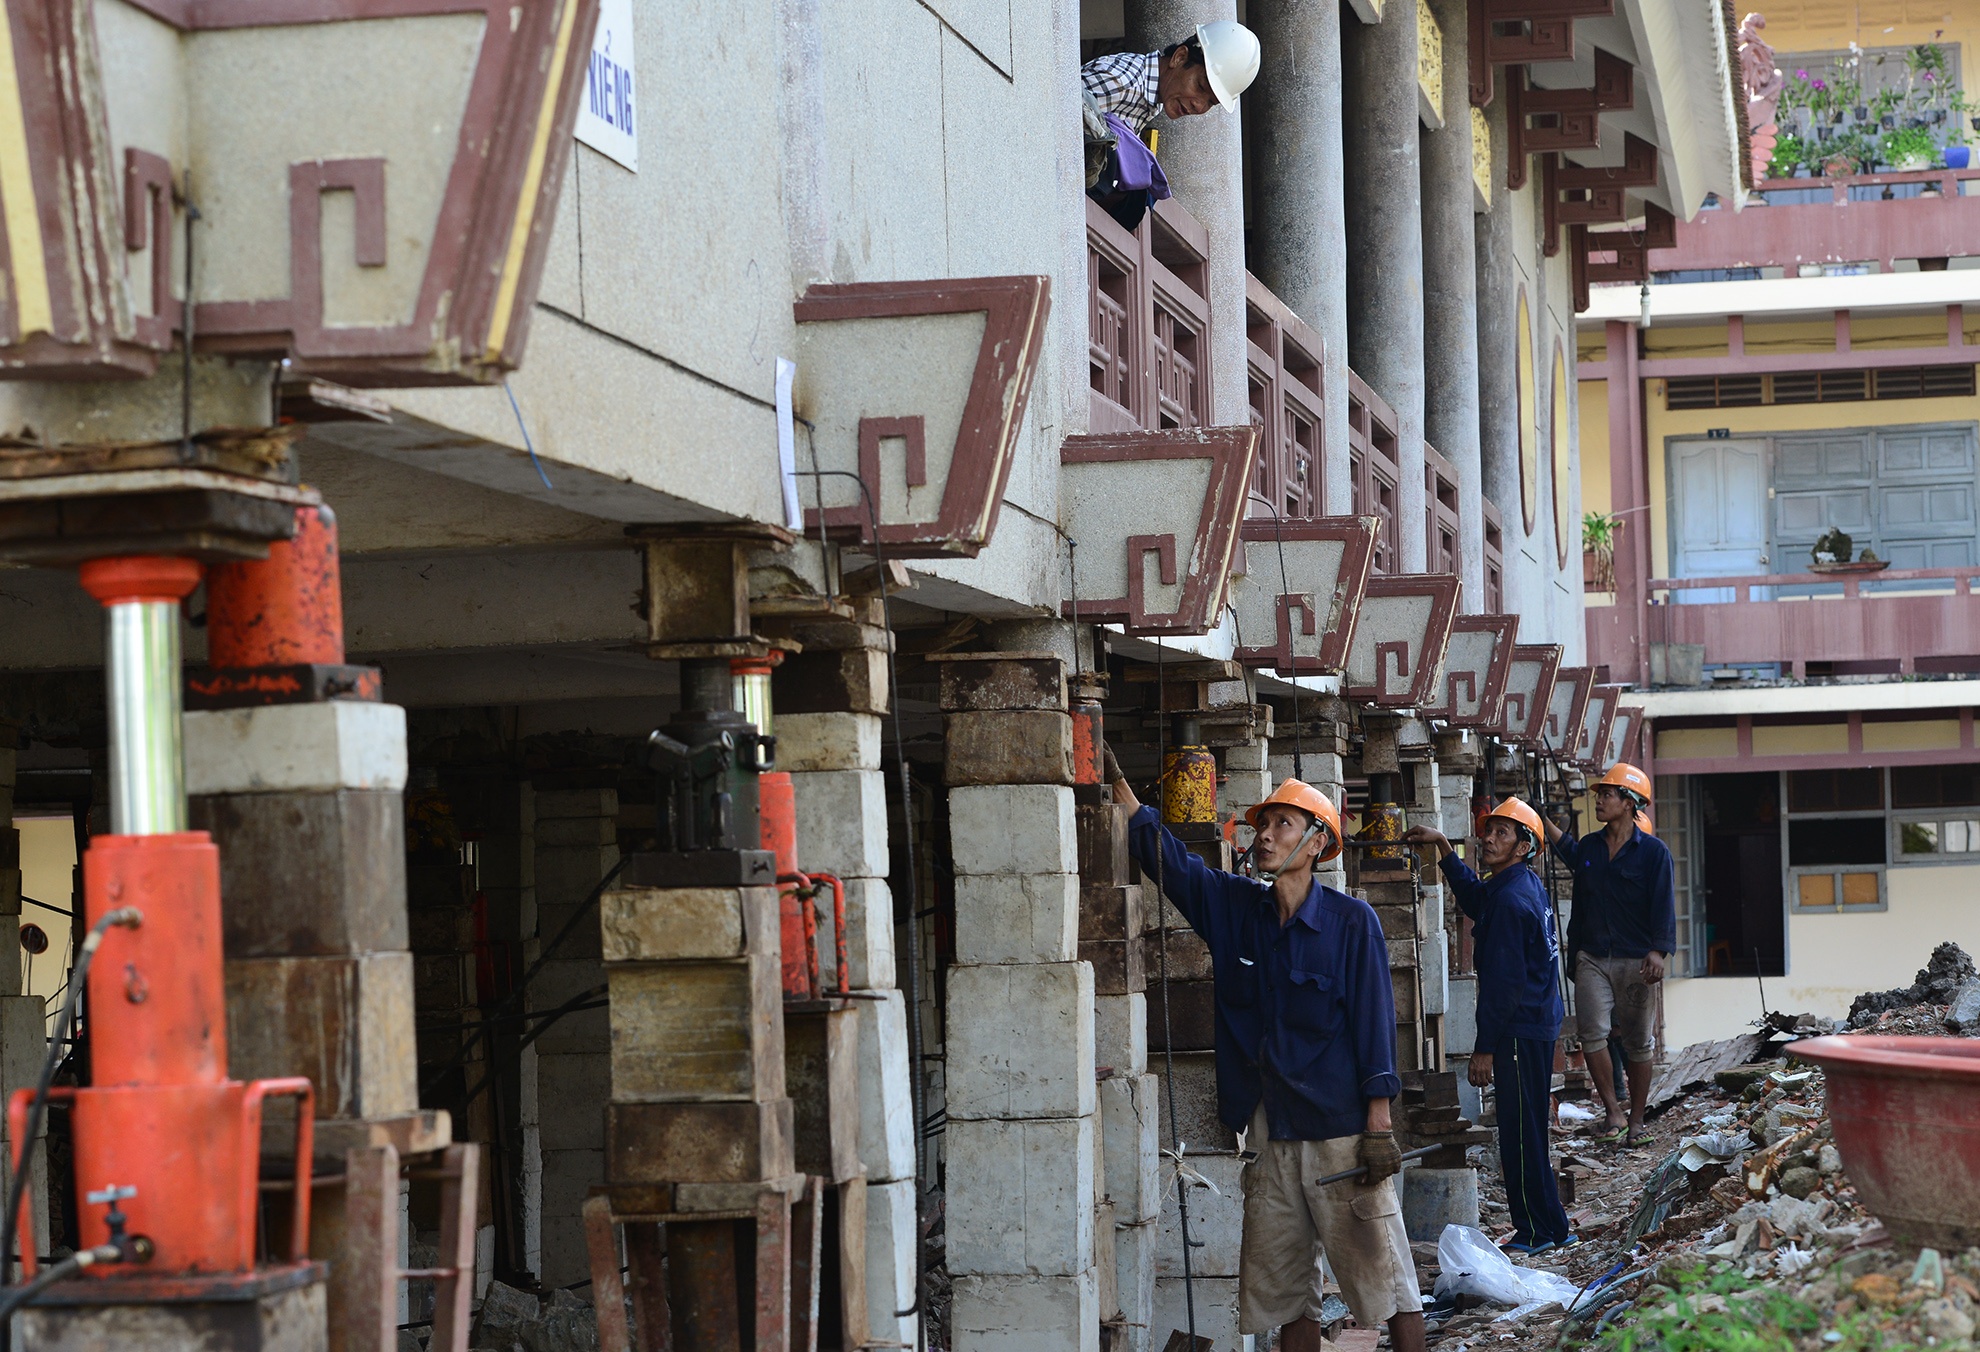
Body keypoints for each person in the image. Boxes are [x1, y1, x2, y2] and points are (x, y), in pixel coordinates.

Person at [1106, 750, 1424, 1352]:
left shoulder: (1352, 924)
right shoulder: (1237, 911)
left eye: (1282, 824)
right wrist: (1120, 787)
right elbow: (1170, 864)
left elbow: (1375, 1023)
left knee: (1385, 1276)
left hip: (1340, 1132)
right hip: (1271, 1131)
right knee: (1283, 1290)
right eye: (1263, 823)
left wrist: (1379, 1121)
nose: (1266, 836)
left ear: (1317, 842)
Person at [1406, 800, 1574, 1255]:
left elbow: (1501, 988)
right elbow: (1477, 900)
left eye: (1501, 833)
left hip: (1519, 1028)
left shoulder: (1511, 900)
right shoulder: (1519, 886)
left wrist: (1484, 1049)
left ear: (1524, 846)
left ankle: (1534, 1231)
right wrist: (1444, 848)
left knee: (1520, 1134)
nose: (1488, 838)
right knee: (1531, 1129)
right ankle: (1554, 1226)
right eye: (1488, 830)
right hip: (1536, 1024)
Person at [1543, 763, 1675, 1149]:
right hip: (1592, 956)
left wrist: (1659, 951)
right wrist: (1541, 821)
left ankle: (1636, 1119)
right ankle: (1613, 1112)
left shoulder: (1653, 853)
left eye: (1607, 794)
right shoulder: (1590, 848)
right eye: (1600, 794)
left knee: (1637, 1043)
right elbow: (1568, 850)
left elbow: (1664, 904)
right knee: (1593, 1034)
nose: (1599, 800)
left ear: (1630, 802)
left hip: (1637, 961)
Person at [1079, 20, 1261, 137]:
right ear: (1179, 57)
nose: (1199, 106)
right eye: (1200, 86)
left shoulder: (1151, 96)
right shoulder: (1121, 82)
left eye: (1211, 103)